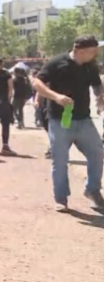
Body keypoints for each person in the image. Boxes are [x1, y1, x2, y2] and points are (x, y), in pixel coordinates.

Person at [33, 35, 104, 212]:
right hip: (59, 120)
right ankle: (61, 198)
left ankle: (92, 190)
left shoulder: (90, 66)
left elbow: (96, 84)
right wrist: (55, 97)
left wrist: (100, 96)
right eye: (92, 51)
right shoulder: (57, 63)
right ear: (80, 51)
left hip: (83, 119)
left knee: (97, 153)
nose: (95, 54)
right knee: (60, 160)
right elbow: (37, 82)